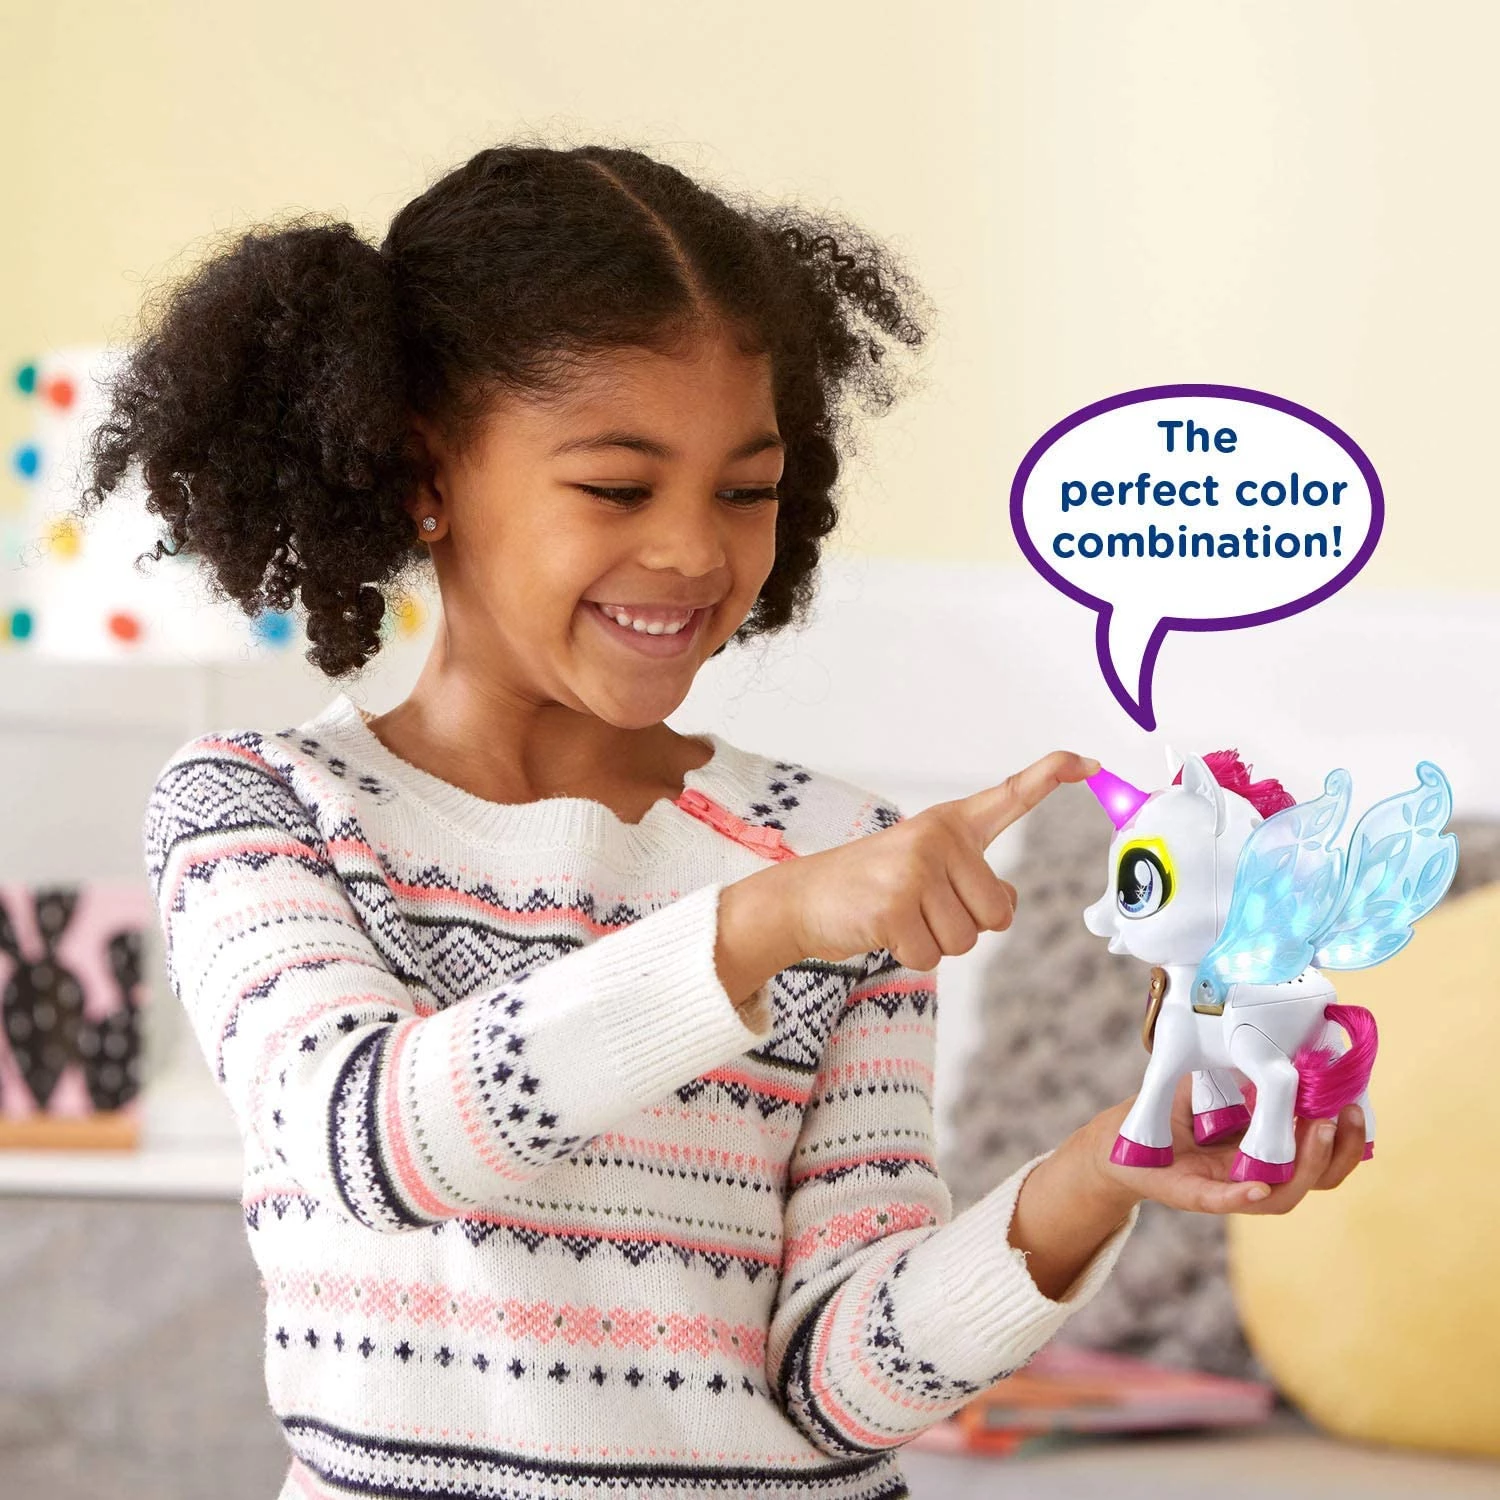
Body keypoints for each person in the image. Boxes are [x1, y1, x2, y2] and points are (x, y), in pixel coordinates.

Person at [80, 138, 1368, 1498]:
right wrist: (762, 927)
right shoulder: (261, 809)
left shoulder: (836, 848)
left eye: (746, 490)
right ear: (425, 475)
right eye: (618, 487)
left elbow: (835, 1391)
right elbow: (376, 1142)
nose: (697, 550)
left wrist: (1101, 1175)